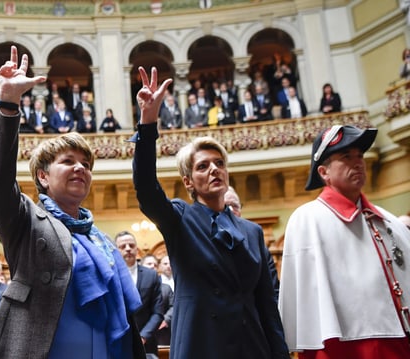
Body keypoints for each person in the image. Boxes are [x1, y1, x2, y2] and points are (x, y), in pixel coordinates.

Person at [0, 46, 146, 358]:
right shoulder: (26, 222)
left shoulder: (102, 240)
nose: (80, 167)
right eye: (68, 161)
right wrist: (7, 105)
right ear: (43, 176)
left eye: (85, 163)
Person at [131, 65, 289, 358]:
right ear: (188, 181)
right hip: (202, 345)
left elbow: (267, 308)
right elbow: (146, 189)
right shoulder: (180, 218)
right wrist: (148, 122)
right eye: (203, 166)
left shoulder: (252, 232)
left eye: (219, 163)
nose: (214, 169)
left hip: (252, 347)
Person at [278, 125, 410, 358]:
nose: (357, 162)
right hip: (344, 348)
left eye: (360, 156)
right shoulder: (308, 220)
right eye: (346, 157)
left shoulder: (389, 221)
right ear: (323, 172)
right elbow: (306, 305)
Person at [115, 231, 164, 357]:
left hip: (147, 342)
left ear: (137, 249)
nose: (128, 249)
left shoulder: (151, 275)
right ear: (116, 250)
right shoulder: (110, 275)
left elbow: (158, 312)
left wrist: (143, 336)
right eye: (123, 246)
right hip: (119, 340)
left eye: (131, 245)